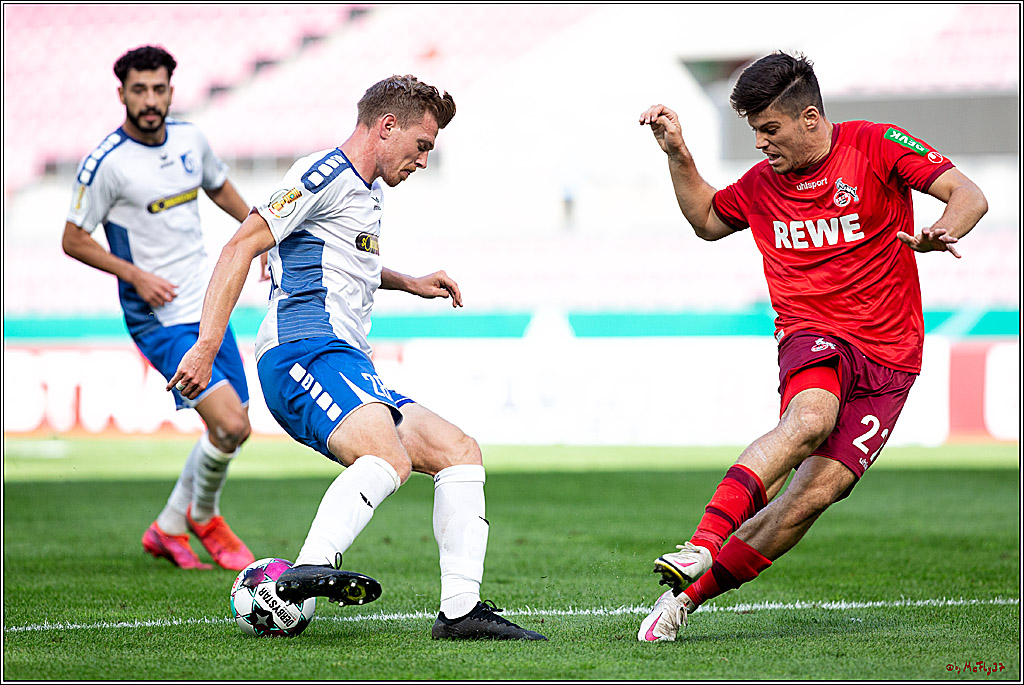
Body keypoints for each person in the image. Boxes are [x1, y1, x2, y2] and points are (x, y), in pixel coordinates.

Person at [168, 74, 547, 641]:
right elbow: (241, 244)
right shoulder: (321, 175)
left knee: (460, 453)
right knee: (387, 459)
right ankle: (306, 569)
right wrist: (205, 345)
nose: (422, 161)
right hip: (301, 354)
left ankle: (460, 612)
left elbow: (348, 260)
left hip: (349, 360)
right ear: (387, 127)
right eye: (421, 147)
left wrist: (409, 281)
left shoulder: (369, 190)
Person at [635, 51, 988, 642]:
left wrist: (942, 232)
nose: (761, 145)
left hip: (891, 353)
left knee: (813, 495)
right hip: (812, 331)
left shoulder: (877, 145)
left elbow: (968, 194)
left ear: (809, 117)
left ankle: (684, 602)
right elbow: (706, 218)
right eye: (754, 132)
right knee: (811, 416)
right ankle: (700, 544)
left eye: (769, 130)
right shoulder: (761, 186)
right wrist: (678, 155)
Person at [62, 45, 257, 572]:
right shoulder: (107, 163)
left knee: (234, 422)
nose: (150, 100)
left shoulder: (191, 140)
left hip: (207, 304)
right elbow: (73, 239)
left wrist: (264, 238)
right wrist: (135, 275)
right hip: (158, 317)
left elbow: (220, 188)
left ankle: (168, 528)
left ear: (171, 89)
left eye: (159, 89)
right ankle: (206, 519)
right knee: (231, 427)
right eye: (139, 90)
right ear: (122, 93)